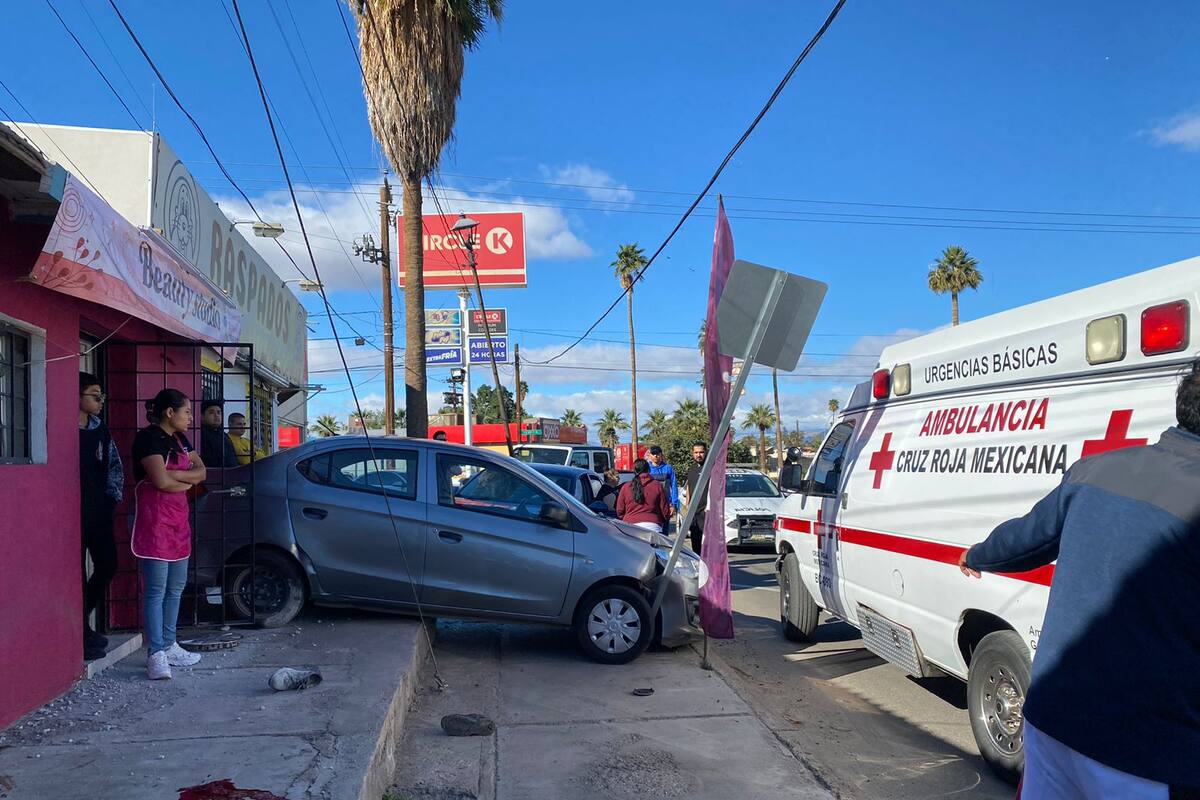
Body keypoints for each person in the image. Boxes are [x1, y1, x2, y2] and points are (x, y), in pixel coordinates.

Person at [958, 360, 1200, 798]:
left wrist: (977, 554)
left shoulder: (1095, 470)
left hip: (1052, 719)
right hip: (1144, 752)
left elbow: (1025, 539)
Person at [132, 389, 206, 680]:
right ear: (169, 412)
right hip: (153, 524)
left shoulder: (181, 440)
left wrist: (177, 478)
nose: (191, 417)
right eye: (187, 412)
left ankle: (170, 643)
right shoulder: (148, 439)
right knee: (156, 590)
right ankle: (156, 653)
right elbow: (160, 481)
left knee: (176, 588)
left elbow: (201, 472)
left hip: (178, 523)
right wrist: (184, 481)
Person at [79, 372, 123, 661]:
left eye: (101, 396)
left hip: (98, 510)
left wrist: (111, 499)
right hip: (70, 512)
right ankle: (81, 632)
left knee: (108, 564)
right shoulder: (61, 428)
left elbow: (114, 466)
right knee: (75, 573)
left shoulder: (100, 429)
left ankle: (82, 618)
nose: (101, 401)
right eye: (95, 396)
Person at [616, 459, 671, 533]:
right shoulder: (657, 485)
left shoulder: (626, 487)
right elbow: (665, 510)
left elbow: (620, 511)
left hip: (630, 526)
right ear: (648, 470)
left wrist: (628, 518)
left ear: (634, 470)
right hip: (653, 526)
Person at [683, 441, 709, 554]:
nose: (699, 455)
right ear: (692, 453)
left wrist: (709, 507)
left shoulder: (710, 468)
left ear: (706, 452)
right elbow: (689, 487)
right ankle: (698, 563)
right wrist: (687, 505)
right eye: (696, 452)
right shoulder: (692, 468)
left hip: (706, 512)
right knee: (695, 542)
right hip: (693, 513)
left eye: (701, 452)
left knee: (706, 545)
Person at [200, 400, 239, 468]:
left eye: (219, 412)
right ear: (202, 417)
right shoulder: (201, 435)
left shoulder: (224, 435)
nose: (216, 415)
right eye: (211, 413)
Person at [646, 445, 679, 518]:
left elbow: (674, 486)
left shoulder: (668, 468)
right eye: (653, 454)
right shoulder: (647, 469)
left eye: (657, 454)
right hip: (651, 505)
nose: (655, 456)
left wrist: (674, 504)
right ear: (650, 455)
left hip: (666, 504)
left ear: (661, 455)